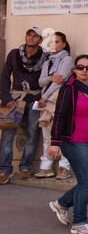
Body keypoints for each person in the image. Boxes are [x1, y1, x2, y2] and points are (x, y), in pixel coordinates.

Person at [47, 54, 88, 234]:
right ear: (74, 69)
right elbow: (60, 115)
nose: (84, 71)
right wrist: (55, 142)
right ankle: (79, 222)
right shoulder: (69, 88)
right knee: (86, 179)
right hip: (74, 140)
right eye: (80, 67)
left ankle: (62, 203)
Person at [1, 27, 48, 183]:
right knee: (8, 134)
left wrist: (45, 98)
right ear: (26, 36)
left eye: (35, 36)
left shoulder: (45, 57)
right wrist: (6, 98)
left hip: (35, 99)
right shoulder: (14, 54)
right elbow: (5, 76)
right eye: (29, 35)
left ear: (40, 40)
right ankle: (4, 170)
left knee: (33, 133)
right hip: (15, 99)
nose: (31, 38)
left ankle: (25, 167)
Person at [34, 32, 73, 179]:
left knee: (61, 133)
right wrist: (50, 77)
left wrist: (44, 96)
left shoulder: (67, 59)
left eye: (57, 42)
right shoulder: (48, 62)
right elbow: (41, 81)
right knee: (47, 134)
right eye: (52, 42)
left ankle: (64, 166)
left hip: (59, 100)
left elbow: (60, 80)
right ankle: (46, 166)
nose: (54, 45)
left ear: (64, 44)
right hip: (46, 101)